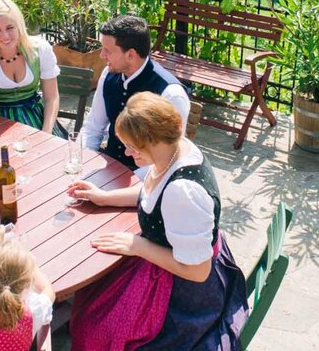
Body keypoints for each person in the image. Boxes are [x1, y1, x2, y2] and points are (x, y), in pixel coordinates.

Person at [67, 92, 248, 350]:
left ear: (152, 140)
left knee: (99, 326)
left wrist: (138, 246)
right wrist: (104, 197)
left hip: (185, 293)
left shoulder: (183, 191)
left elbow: (198, 271)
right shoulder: (175, 149)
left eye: (132, 146)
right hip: (172, 256)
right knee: (94, 298)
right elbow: (152, 192)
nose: (127, 153)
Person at [78, 15, 190, 171]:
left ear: (130, 54)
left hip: (146, 181)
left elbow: (168, 158)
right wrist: (83, 161)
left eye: (107, 51)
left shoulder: (171, 93)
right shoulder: (108, 74)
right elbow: (93, 128)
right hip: (108, 167)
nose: (101, 55)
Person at [0, 0, 66, 149]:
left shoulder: (40, 49)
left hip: (36, 117)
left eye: (10, 27)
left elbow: (51, 98)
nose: (4, 36)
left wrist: (46, 133)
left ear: (20, 26)